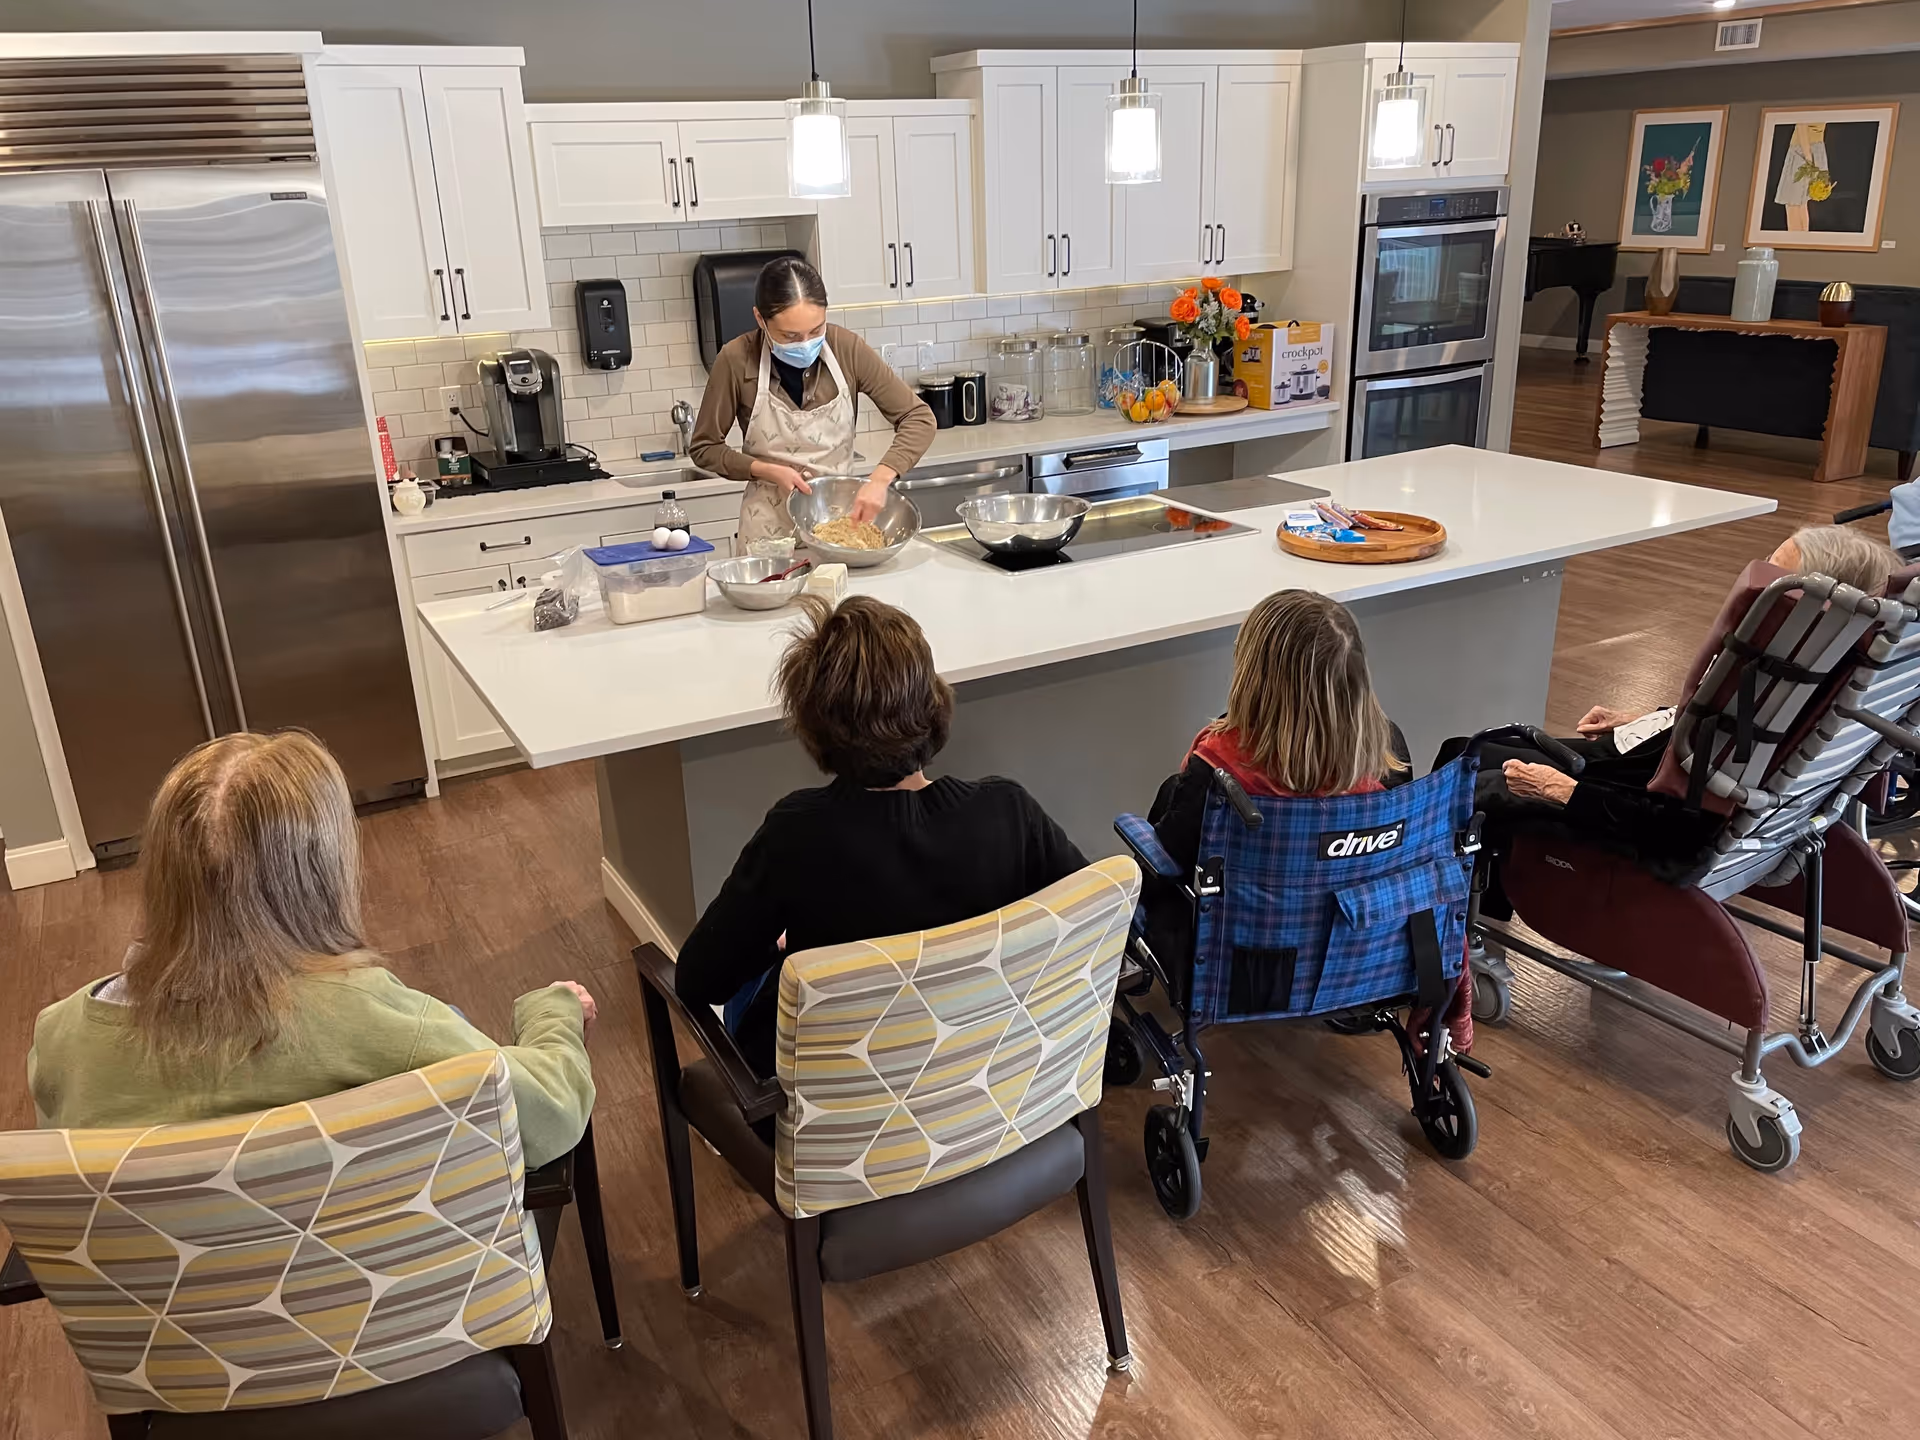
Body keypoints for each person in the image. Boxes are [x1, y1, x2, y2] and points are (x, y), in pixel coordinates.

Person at [28, 731, 596, 1169]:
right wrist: (551, 1014)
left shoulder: (60, 1042)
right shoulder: (376, 1022)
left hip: (173, 1319)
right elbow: (551, 1111)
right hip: (407, 1309)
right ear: (323, 870)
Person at [674, 595, 1086, 1076]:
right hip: (989, 1089)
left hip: (840, 1124)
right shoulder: (1010, 813)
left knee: (756, 986)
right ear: (933, 703)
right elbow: (1096, 922)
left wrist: (777, 948)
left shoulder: (795, 835)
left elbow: (698, 981)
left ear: (813, 723)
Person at [1138, 590, 1473, 1050]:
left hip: (1248, 970)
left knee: (1164, 818)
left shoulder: (1217, 773)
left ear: (1253, 677)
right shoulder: (1386, 753)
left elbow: (1169, 858)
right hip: (1359, 957)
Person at [1483, 524, 1901, 867]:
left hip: (1632, 825)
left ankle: (1448, 942)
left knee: (1475, 762)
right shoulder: (1819, 691)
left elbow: (1680, 831)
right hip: (1658, 776)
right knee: (1486, 749)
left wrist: (1561, 791)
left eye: (1772, 578)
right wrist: (1650, 719)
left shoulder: (1765, 701)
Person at [690, 255, 937, 548]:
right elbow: (705, 447)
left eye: (816, 330)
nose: (806, 343)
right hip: (768, 532)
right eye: (790, 336)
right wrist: (765, 469)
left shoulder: (847, 349)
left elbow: (919, 418)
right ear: (760, 319)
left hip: (842, 528)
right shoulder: (736, 359)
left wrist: (880, 479)